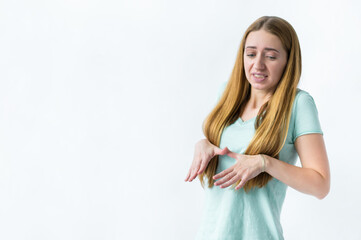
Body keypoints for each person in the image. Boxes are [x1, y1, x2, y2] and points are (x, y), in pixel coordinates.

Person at [184, 16, 330, 240]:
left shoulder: (298, 105)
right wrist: (203, 144)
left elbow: (320, 184)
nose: (258, 64)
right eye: (251, 54)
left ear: (288, 61)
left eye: (271, 56)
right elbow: (219, 150)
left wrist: (265, 162)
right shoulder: (227, 94)